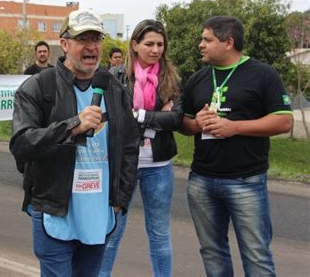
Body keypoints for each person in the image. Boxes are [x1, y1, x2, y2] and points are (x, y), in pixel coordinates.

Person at [10, 9, 140, 276]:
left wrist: (121, 198)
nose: (91, 47)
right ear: (65, 44)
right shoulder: (38, 87)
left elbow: (130, 147)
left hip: (99, 213)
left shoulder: (115, 90)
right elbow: (22, 143)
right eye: (83, 39)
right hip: (55, 210)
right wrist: (72, 126)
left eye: (96, 39)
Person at [181, 16, 293, 276]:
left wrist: (234, 127)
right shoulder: (197, 79)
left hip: (246, 181)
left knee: (256, 255)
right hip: (202, 180)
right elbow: (184, 124)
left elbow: (284, 121)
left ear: (228, 42)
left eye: (207, 40)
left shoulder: (263, 74)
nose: (200, 45)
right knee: (212, 252)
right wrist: (197, 124)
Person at [100, 20, 183, 277]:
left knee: (159, 234)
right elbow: (110, 117)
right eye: (149, 44)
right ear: (135, 45)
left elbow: (176, 119)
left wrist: (138, 115)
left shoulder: (171, 77)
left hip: (158, 166)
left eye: (160, 44)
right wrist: (157, 115)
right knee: (112, 231)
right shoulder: (116, 76)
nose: (156, 49)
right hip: (123, 164)